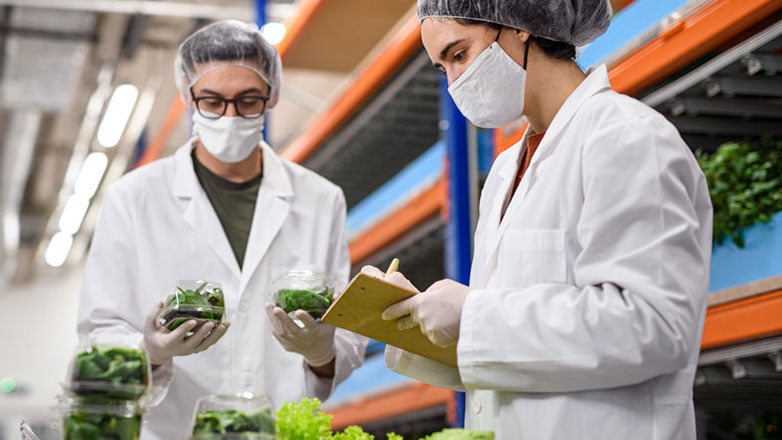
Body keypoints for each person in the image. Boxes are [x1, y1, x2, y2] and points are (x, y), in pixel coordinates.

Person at [361, 1, 713, 438]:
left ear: (519, 25)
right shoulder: (507, 170)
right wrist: (411, 318)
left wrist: (473, 315)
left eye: (459, 54)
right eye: (442, 68)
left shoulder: (629, 138)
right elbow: (512, 355)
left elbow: (651, 326)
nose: (455, 83)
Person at [77, 20, 366, 439]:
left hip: (277, 429)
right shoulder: (134, 198)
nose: (230, 116)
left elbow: (342, 336)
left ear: (272, 97)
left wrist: (321, 352)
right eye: (212, 101)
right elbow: (99, 336)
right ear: (188, 97)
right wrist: (151, 354)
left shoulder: (321, 200)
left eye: (248, 101)